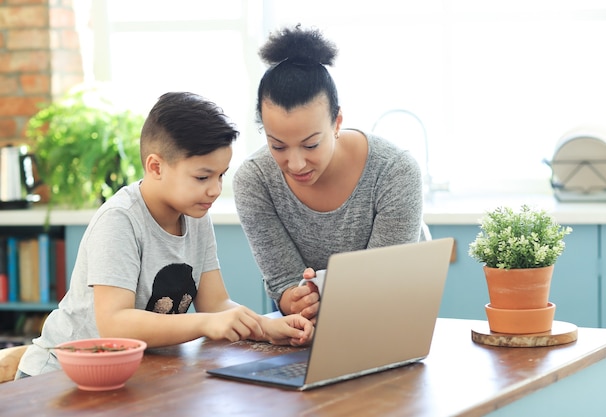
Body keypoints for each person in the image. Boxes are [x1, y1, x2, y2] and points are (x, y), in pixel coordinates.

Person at [16, 92, 313, 379]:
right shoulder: (120, 220)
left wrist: (265, 327)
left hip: (132, 375)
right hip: (59, 376)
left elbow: (217, 304)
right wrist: (207, 323)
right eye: (202, 177)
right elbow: (114, 323)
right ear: (156, 167)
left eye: (221, 175)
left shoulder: (196, 215)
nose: (215, 189)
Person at [233, 25, 429, 323]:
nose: (296, 163)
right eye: (278, 145)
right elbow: (284, 284)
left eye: (311, 144)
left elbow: (382, 286)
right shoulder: (254, 180)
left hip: (391, 316)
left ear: (337, 123)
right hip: (307, 327)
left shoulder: (395, 172)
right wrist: (296, 299)